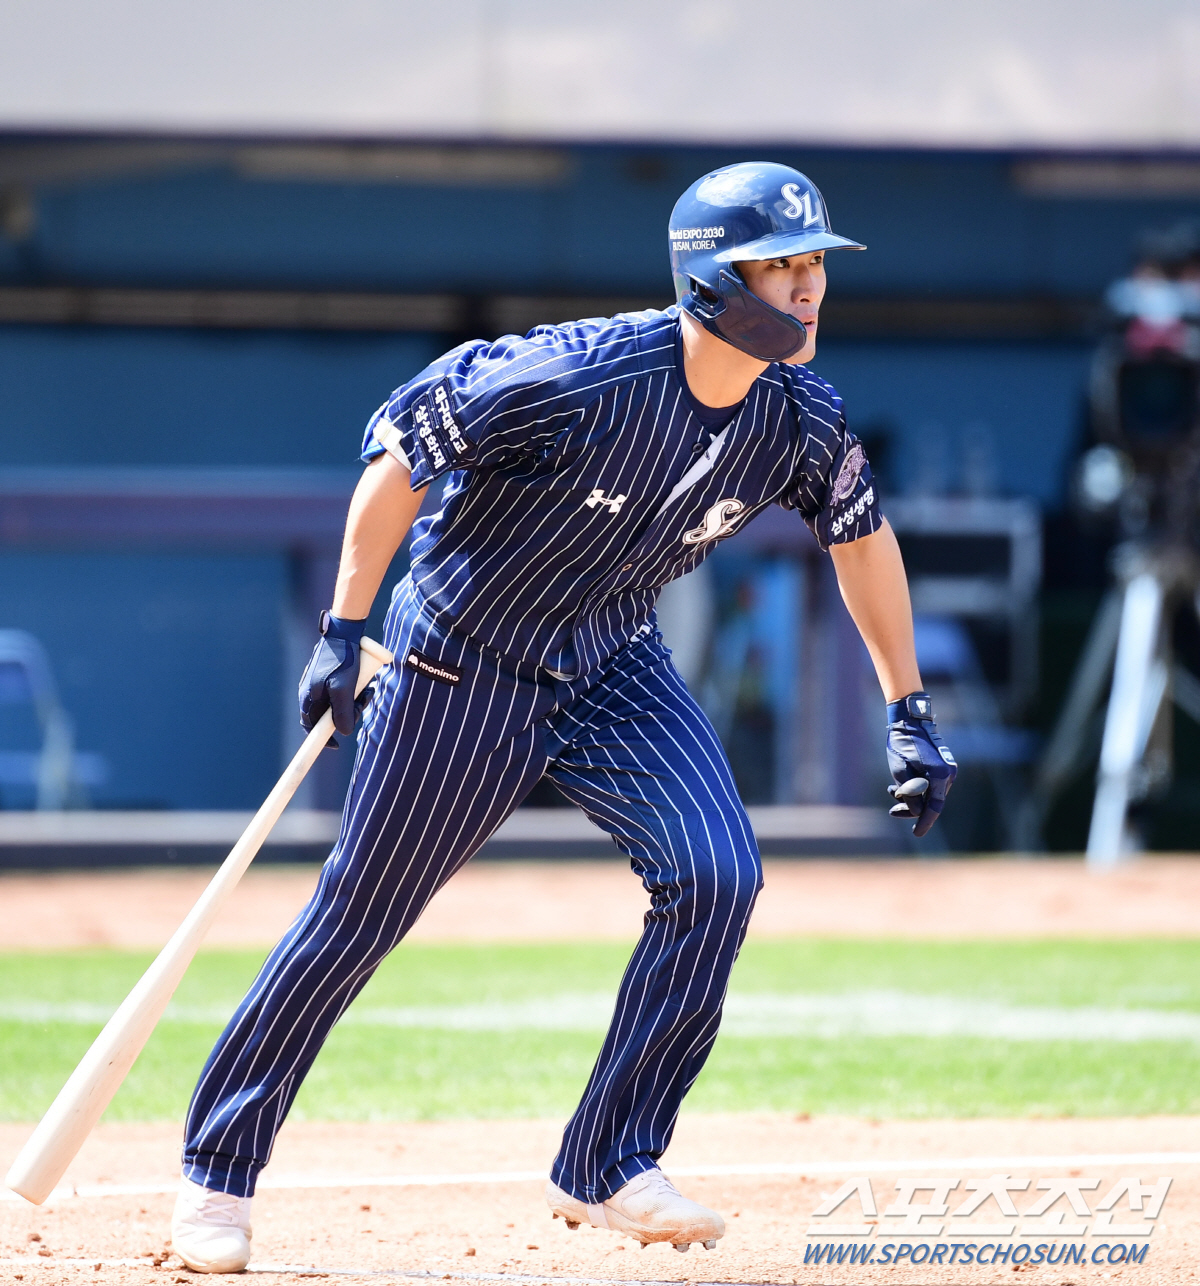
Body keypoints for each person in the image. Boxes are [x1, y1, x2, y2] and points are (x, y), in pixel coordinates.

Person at [169, 160, 955, 1273]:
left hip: (610, 660)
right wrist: (343, 630)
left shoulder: (800, 417)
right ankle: (219, 1172)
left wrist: (908, 707)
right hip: (461, 664)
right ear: (711, 282)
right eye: (783, 264)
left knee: (718, 873)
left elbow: (862, 542)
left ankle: (609, 1157)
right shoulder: (576, 371)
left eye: (816, 261)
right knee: (361, 917)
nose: (811, 284)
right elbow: (401, 452)